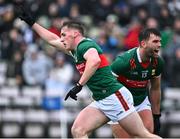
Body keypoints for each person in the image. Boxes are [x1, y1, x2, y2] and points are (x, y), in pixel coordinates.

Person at [15, 4, 161, 138]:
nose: (61, 38)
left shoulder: (84, 45)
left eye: (64, 35)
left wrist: (79, 85)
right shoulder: (75, 50)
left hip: (114, 97)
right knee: (78, 130)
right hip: (101, 99)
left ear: (75, 34)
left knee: (143, 135)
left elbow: (94, 61)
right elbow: (52, 40)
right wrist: (32, 23)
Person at [110, 28, 164, 138]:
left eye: (160, 41)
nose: (159, 45)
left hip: (141, 100)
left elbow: (155, 88)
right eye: (155, 41)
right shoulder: (124, 61)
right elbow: (107, 84)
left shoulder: (158, 62)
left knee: (148, 132)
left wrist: (157, 116)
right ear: (143, 44)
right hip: (121, 104)